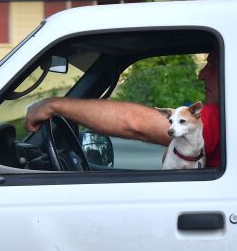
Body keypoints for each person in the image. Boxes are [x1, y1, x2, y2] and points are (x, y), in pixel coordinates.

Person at [26, 50, 221, 167]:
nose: (201, 74)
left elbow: (134, 123)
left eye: (212, 65)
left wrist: (53, 105)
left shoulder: (219, 117)